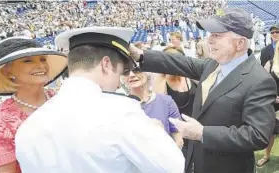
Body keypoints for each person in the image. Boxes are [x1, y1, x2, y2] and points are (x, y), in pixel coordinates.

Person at [15, 27, 185, 173]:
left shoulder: (28, 127)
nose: (119, 81)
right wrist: (155, 130)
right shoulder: (121, 112)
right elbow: (173, 166)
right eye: (120, 72)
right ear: (106, 64)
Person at [129, 8, 277, 173]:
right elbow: (180, 62)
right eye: (210, 34)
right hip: (198, 161)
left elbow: (258, 135)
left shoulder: (259, 80)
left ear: (240, 43)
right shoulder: (212, 65)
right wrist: (140, 55)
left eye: (217, 35)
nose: (209, 40)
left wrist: (202, 133)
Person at [0, 36, 67, 173]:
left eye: (43, 59)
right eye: (28, 61)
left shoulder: (64, 99)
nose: (41, 65)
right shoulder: (1, 122)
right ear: (8, 72)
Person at [122, 66, 184, 149]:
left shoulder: (166, 102)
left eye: (136, 70)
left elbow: (178, 137)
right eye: (126, 72)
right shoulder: (120, 105)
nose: (131, 74)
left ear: (148, 73)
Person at [257, 38, 279, 167]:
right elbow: (261, 85)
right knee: (271, 132)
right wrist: (271, 95)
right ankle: (266, 155)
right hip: (272, 105)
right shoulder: (269, 64)